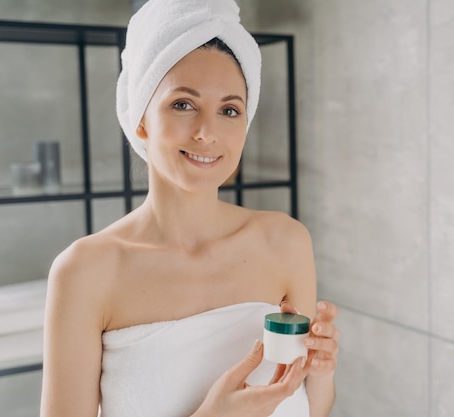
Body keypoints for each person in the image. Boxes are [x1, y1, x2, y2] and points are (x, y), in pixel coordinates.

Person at [40, 0, 340, 416]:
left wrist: (321, 372)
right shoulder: (86, 271)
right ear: (141, 117)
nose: (207, 133)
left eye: (230, 110)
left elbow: (310, 407)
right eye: (183, 104)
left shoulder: (285, 241)